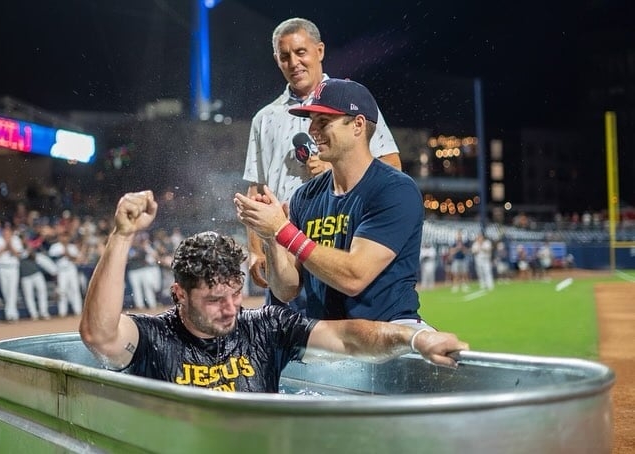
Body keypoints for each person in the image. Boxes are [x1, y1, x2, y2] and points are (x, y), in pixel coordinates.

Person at [79, 191, 468, 393]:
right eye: (214, 300)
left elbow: (349, 338)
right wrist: (122, 235)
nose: (231, 308)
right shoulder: (155, 338)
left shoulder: (264, 326)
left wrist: (414, 337)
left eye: (235, 293)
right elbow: (99, 334)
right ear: (178, 293)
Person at [235, 78, 429, 327]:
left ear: (358, 125)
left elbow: (355, 276)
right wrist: (271, 237)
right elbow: (287, 289)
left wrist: (283, 231)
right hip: (329, 338)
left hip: (388, 334)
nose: (312, 130)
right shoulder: (306, 196)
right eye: (312, 121)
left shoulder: (395, 189)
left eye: (324, 121)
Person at [243, 18, 402, 311]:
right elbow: (258, 189)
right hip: (283, 252)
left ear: (320, 50)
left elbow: (392, 166)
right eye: (284, 56)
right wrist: (255, 251)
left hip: (337, 241)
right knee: (284, 344)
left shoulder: (352, 102)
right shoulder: (264, 118)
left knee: (343, 340)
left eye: (301, 52)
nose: (294, 62)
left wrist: (340, 171)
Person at [0, 222, 22, 321]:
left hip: (13, 267)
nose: (7, 232)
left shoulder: (16, 239)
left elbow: (18, 255)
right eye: (5, 230)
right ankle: (10, 312)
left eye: (9, 230)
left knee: (13, 290)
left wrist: (10, 245)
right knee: (5, 291)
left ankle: (11, 314)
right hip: (2, 267)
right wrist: (5, 245)